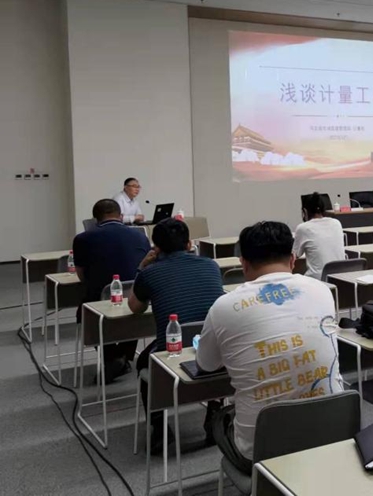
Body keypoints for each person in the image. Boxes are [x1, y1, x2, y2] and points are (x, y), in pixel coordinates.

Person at [197, 221, 343, 475]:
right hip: (332, 433)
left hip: (262, 450)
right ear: (293, 259)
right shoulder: (323, 290)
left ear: (243, 263)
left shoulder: (223, 307)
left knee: (221, 418)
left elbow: (206, 365)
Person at [128, 218, 225, 449]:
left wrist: (141, 268)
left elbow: (135, 307)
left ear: (156, 248)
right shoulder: (211, 265)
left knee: (143, 361)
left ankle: (159, 427)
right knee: (215, 349)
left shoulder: (150, 273)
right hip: (213, 351)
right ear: (189, 244)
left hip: (172, 353)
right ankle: (215, 415)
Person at [72, 199, 150, 382]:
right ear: (121, 216)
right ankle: (124, 355)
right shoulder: (141, 236)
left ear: (95, 219)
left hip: (102, 298)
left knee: (83, 314)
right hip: (136, 297)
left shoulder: (82, 239)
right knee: (136, 308)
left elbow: (82, 276)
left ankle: (112, 356)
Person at [292, 192, 346, 280]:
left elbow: (294, 256)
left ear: (305, 211)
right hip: (340, 278)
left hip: (317, 279)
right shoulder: (336, 223)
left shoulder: (303, 228)